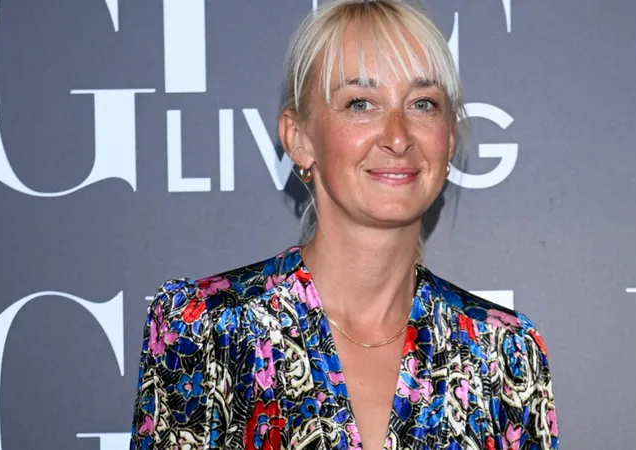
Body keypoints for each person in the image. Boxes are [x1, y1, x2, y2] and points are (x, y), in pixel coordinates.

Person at [128, 1, 558, 449]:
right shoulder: (206, 327)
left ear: (448, 138)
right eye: (361, 104)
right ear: (299, 138)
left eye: (422, 103)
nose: (398, 137)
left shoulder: (503, 352)